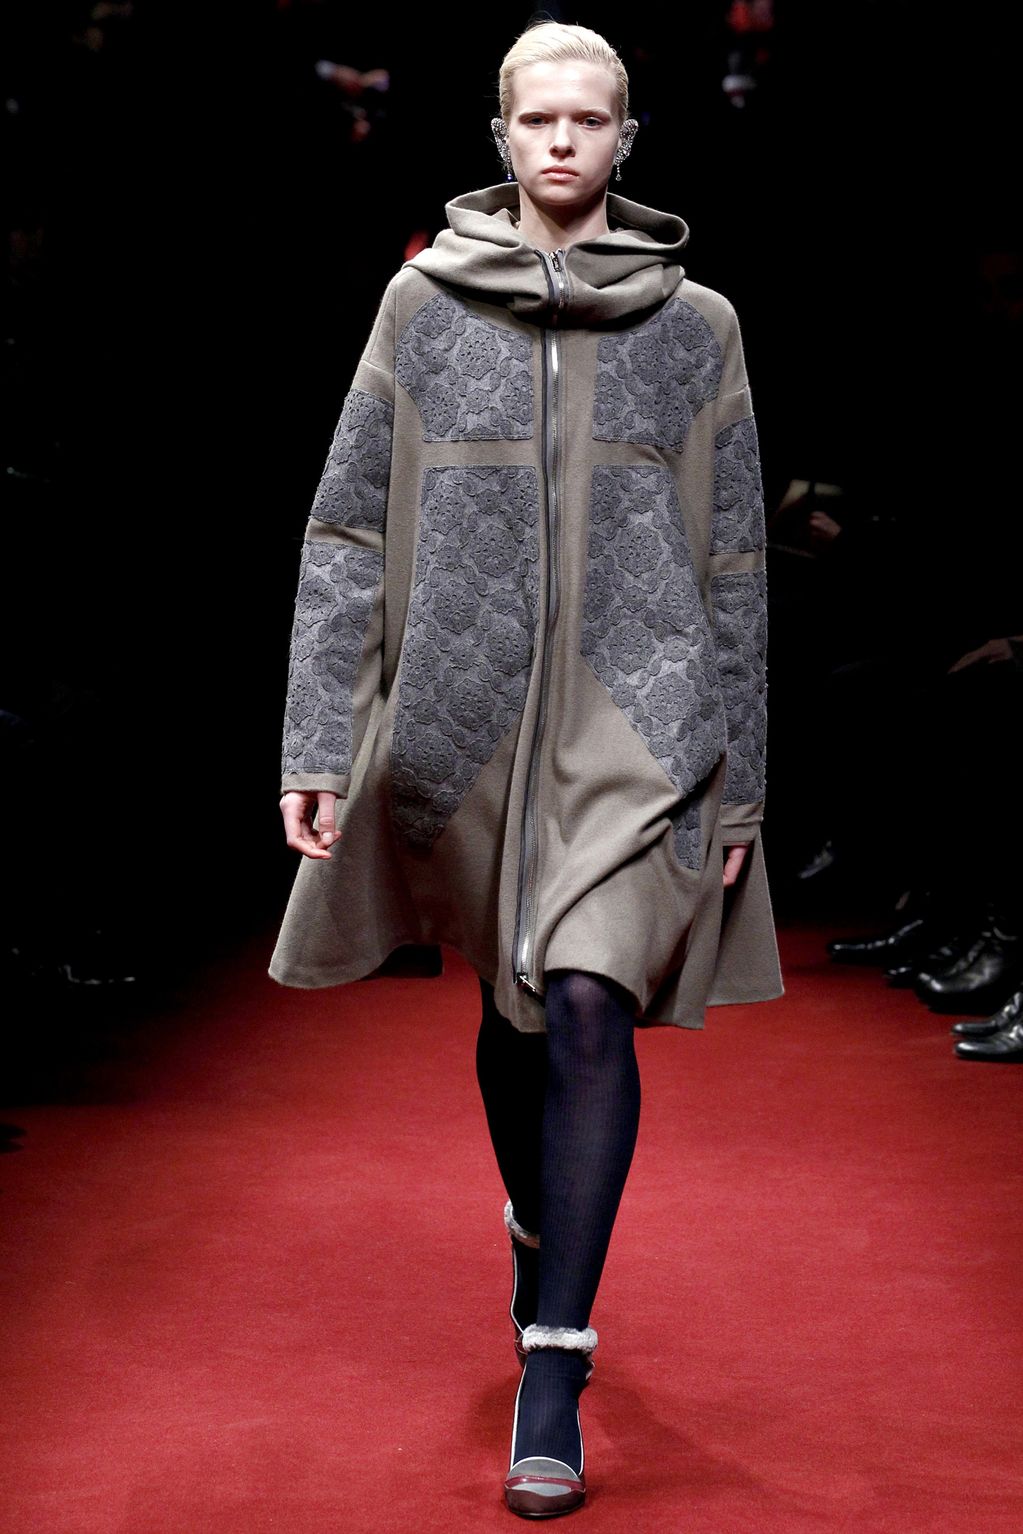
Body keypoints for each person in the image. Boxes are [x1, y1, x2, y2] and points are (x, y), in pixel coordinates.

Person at [271, 20, 784, 1519]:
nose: (563, 141)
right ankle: (538, 1232)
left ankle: (554, 1355)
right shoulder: (422, 305)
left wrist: (742, 775)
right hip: (469, 714)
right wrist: (319, 734)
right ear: (500, 136)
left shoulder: (698, 324)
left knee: (588, 994)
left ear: (628, 136)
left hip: (643, 721)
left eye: (590, 119)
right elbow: (344, 527)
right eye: (539, 119)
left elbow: (736, 557)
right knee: (514, 1010)